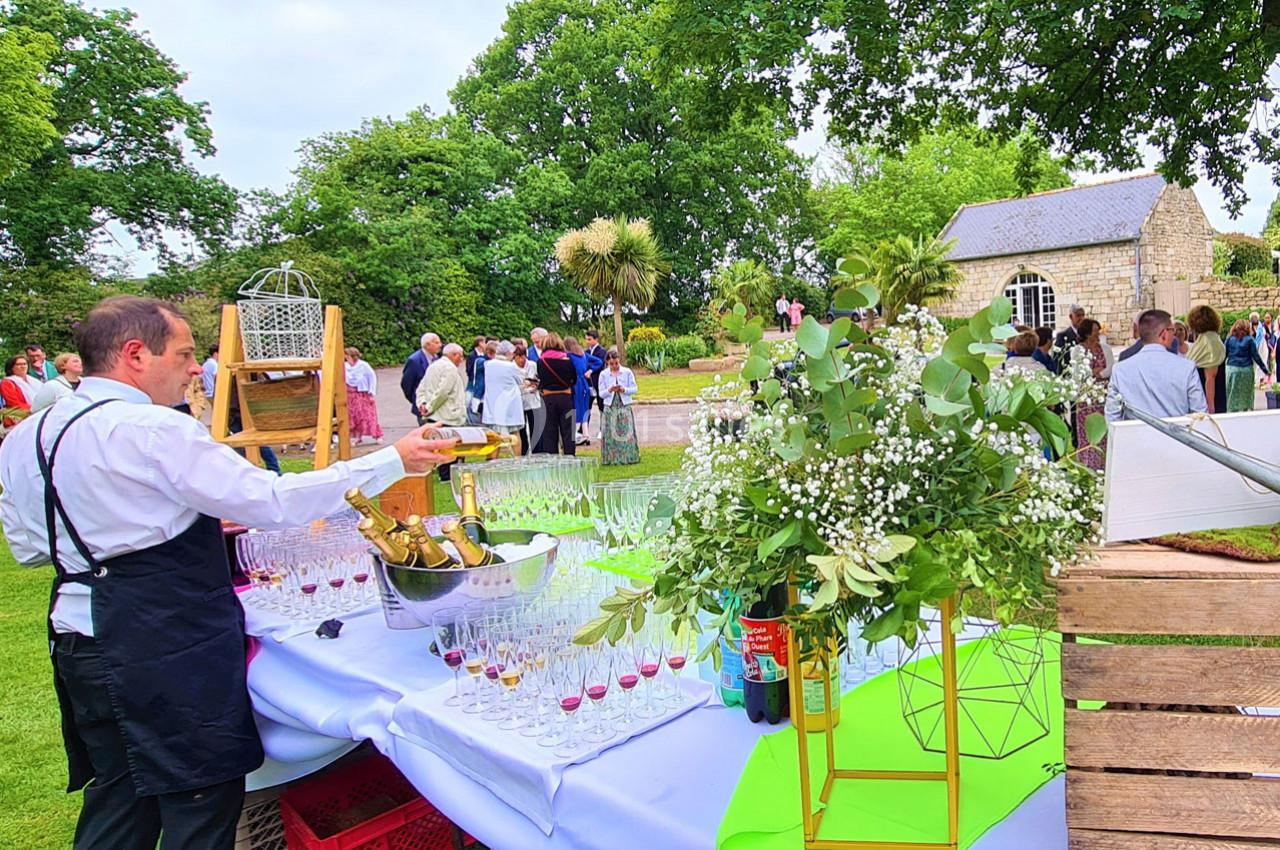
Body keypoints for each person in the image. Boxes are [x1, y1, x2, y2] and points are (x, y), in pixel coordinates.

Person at [0, 295, 455, 850]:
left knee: (119, 797)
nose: (196, 368)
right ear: (135, 354)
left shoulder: (27, 437)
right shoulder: (150, 429)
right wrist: (391, 460)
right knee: (201, 799)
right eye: (186, 353)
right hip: (161, 639)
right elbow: (270, 501)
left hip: (77, 636)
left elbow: (28, 548)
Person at [1105, 309, 1207, 422]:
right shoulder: (1187, 367)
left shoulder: (1120, 370)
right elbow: (1200, 414)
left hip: (1135, 437)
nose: (1174, 335)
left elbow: (1112, 416)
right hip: (1177, 437)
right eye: (1172, 330)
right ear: (1164, 334)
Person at [1071, 319, 1114, 470]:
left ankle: (1103, 464)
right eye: (1095, 330)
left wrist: (1099, 373)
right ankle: (1087, 465)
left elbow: (1110, 368)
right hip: (1086, 399)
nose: (1098, 333)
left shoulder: (1105, 349)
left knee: (1102, 432)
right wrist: (1093, 373)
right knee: (1086, 433)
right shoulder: (1078, 350)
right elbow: (1079, 372)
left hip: (1102, 397)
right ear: (1088, 332)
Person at [536, 332, 578, 455]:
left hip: (548, 398)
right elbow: (574, 379)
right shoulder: (567, 360)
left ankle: (552, 458)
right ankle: (570, 457)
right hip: (565, 397)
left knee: (549, 432)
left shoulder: (541, 362)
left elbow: (541, 380)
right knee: (568, 431)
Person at [482, 341, 527, 453]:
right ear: (508, 353)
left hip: (492, 405)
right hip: (509, 405)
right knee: (514, 435)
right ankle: (517, 461)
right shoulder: (511, 366)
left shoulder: (488, 364)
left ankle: (492, 461)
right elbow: (522, 379)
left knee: (493, 437)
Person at [597, 349, 640, 465]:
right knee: (610, 432)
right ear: (607, 363)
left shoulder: (627, 372)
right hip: (610, 405)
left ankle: (628, 457)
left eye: (616, 363)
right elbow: (601, 393)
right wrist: (610, 390)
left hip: (623, 404)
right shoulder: (604, 374)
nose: (614, 366)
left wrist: (624, 389)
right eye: (611, 364)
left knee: (626, 431)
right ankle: (611, 458)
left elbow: (634, 388)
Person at [1186, 305, 1227, 414]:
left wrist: (1210, 407)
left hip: (1206, 397)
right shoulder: (1210, 338)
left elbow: (1211, 377)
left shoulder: (1208, 342)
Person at [1224, 318, 1268, 413]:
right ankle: (1246, 411)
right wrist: (1265, 370)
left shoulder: (1229, 339)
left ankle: (1232, 410)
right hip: (1246, 369)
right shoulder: (1250, 340)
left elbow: (1224, 355)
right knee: (1247, 393)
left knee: (1232, 392)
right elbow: (1256, 356)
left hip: (1232, 368)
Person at [564, 336, 603, 446]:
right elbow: (599, 361)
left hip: (575, 384)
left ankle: (575, 433)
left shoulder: (568, 356)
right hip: (585, 384)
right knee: (585, 409)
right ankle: (586, 434)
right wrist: (590, 369)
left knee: (575, 409)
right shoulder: (583, 354)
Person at [400, 332, 441, 425]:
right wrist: (415, 399)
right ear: (427, 345)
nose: (440, 345)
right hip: (423, 403)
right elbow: (406, 384)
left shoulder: (437, 358)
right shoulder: (414, 361)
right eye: (437, 343)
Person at [343, 346, 382, 444]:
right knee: (353, 416)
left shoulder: (363, 365)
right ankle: (356, 436)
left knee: (367, 415)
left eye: (347, 355)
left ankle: (376, 435)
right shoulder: (344, 366)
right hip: (350, 394)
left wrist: (371, 393)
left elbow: (372, 378)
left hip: (362, 394)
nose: (345, 357)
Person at [513, 344, 543, 455]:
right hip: (519, 401)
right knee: (522, 430)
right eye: (519, 357)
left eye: (523, 356)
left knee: (535, 428)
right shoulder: (511, 367)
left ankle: (537, 453)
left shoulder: (532, 365)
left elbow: (537, 380)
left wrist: (534, 384)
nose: (522, 360)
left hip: (533, 401)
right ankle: (523, 453)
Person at [584, 329, 608, 435]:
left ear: (596, 339)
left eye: (589, 339)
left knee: (601, 406)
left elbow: (601, 364)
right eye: (586, 339)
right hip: (588, 384)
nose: (587, 342)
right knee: (586, 407)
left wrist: (592, 369)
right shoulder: (586, 352)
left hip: (599, 383)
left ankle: (603, 429)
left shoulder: (602, 351)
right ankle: (584, 430)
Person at [465, 336, 488, 425]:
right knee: (469, 401)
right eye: (484, 342)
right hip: (473, 382)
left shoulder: (485, 355)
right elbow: (469, 369)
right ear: (479, 343)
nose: (485, 344)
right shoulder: (472, 355)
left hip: (482, 382)